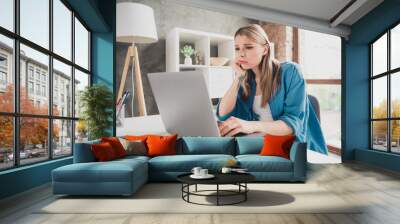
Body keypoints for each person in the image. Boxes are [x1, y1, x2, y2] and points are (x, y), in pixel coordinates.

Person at [216, 24, 327, 154]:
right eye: (237, 48)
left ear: (265, 50)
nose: (241, 54)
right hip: (258, 145)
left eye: (249, 47)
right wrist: (238, 77)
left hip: (291, 147)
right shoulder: (246, 80)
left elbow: (293, 124)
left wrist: (251, 126)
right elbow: (223, 115)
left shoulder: (290, 72)